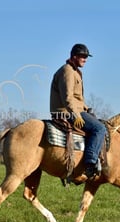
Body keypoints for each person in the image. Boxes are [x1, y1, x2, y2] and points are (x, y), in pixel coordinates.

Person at [50, 43, 106, 180]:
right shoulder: (68, 72)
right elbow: (67, 98)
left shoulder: (74, 71)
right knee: (99, 128)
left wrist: (86, 108)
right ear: (74, 56)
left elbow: (77, 98)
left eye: (86, 57)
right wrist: (76, 115)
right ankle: (90, 163)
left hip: (75, 110)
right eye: (83, 57)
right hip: (66, 112)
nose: (85, 59)